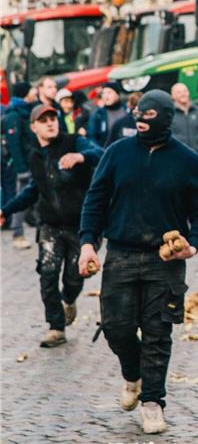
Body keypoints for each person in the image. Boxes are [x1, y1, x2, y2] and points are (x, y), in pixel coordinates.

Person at [78, 89, 198, 435]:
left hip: (164, 260)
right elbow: (95, 200)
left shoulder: (188, 160)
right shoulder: (117, 153)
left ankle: (153, 402)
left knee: (158, 332)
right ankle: (132, 373)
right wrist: (87, 244)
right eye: (137, 113)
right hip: (121, 253)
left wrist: (193, 245)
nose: (140, 120)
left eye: (149, 116)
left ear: (166, 118)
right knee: (116, 328)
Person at [0, 104, 103, 347]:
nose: (50, 123)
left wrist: (81, 156)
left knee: (74, 276)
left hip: (81, 225)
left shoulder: (74, 142)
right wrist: (6, 210)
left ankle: (69, 298)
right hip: (50, 225)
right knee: (47, 274)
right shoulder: (35, 155)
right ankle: (56, 327)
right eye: (43, 120)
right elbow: (33, 190)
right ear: (33, 126)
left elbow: (100, 153)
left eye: (53, 118)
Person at [3, 81, 36, 248]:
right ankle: (17, 234)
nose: (35, 92)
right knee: (20, 199)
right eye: (32, 90)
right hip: (20, 167)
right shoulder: (14, 115)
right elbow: (14, 144)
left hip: (30, 163)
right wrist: (21, 169)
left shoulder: (25, 111)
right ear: (25, 93)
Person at [170, 83, 198, 159]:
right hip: (176, 158)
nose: (183, 94)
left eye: (185, 91)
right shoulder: (169, 113)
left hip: (197, 158)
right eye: (179, 92)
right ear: (172, 96)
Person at [87, 82, 127, 148]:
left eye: (109, 92)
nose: (106, 96)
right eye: (103, 93)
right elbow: (92, 136)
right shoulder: (98, 113)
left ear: (117, 94)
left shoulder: (127, 110)